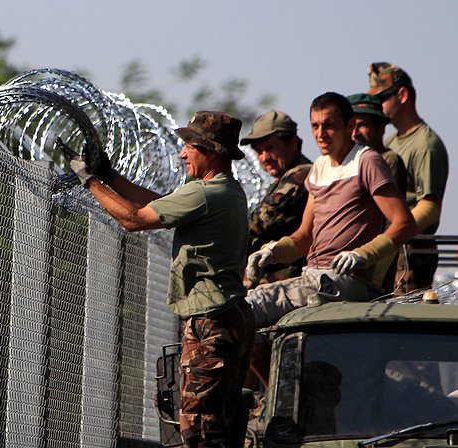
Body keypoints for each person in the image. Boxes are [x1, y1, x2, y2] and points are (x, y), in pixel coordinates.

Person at [60, 111, 255, 448]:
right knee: (223, 424)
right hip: (228, 317)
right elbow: (159, 204)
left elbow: (134, 219)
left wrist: (89, 181)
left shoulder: (206, 193)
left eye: (189, 147)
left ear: (209, 150)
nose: (182, 154)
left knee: (200, 429)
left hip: (211, 324)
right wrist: (110, 177)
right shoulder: (225, 191)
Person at [245, 93, 416, 384]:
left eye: (329, 125)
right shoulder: (319, 169)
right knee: (248, 325)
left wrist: (364, 254)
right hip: (315, 277)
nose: (321, 134)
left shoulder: (366, 161)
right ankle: (278, 394)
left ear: (349, 125)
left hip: (347, 281)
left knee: (243, 309)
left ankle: (278, 397)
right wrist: (273, 251)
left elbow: (404, 223)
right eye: (315, 126)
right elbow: (303, 237)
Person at [367, 62, 449, 293]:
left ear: (402, 95)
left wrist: (391, 236)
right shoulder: (393, 142)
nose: (377, 106)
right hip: (390, 247)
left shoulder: (425, 143)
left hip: (410, 252)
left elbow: (430, 208)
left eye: (382, 98)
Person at [240, 110, 312, 286]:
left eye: (270, 148)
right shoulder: (287, 178)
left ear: (293, 144)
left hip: (287, 282)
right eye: (259, 151)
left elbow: (259, 222)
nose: (264, 157)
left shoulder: (300, 176)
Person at [347, 92, 409, 291]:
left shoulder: (385, 160)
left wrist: (375, 277)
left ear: (380, 128)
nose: (355, 132)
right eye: (351, 125)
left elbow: (393, 224)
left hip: (368, 272)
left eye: (362, 125)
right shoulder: (348, 161)